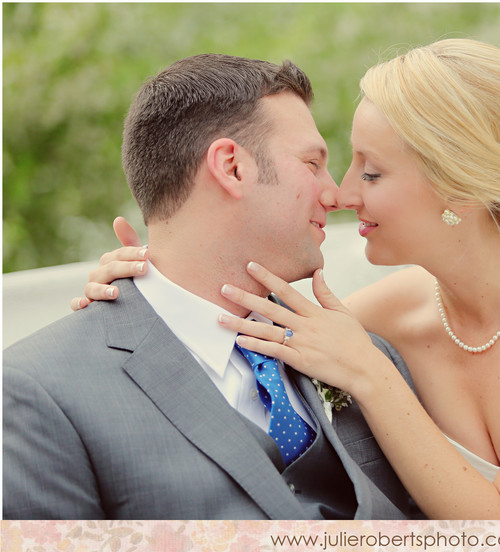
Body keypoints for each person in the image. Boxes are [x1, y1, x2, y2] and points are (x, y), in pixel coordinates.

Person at [73, 40, 500, 519]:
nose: (344, 193)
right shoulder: (391, 313)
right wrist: (144, 279)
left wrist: (372, 377)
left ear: (458, 185)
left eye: (371, 174)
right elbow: (235, 326)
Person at [3, 54, 421, 520]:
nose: (336, 194)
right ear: (232, 167)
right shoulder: (39, 391)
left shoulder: (368, 353)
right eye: (312, 163)